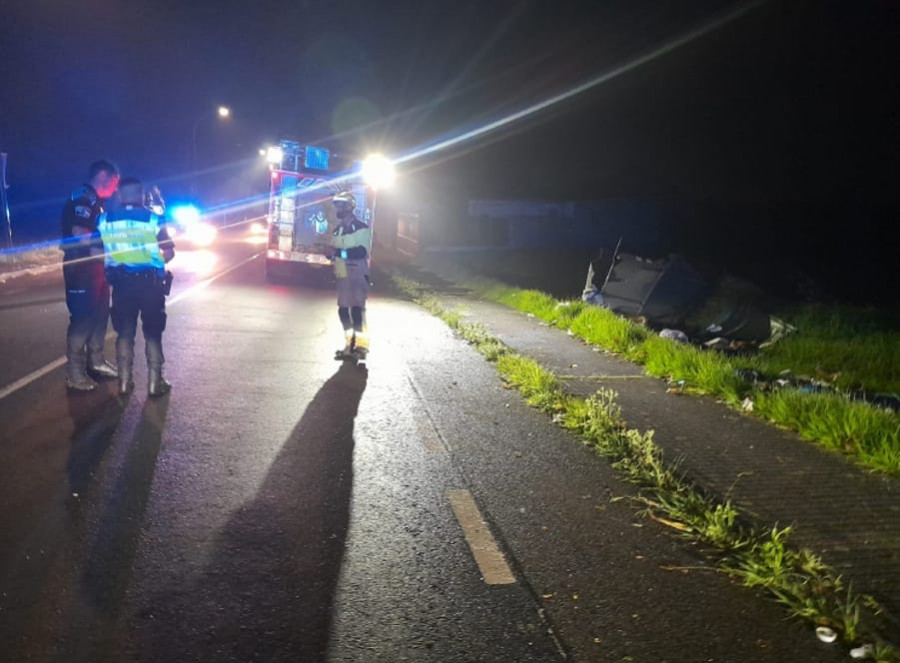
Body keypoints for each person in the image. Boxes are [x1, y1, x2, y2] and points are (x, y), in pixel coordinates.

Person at [96, 178, 175, 396]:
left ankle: (124, 381)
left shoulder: (104, 220)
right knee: (152, 333)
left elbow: (95, 251)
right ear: (142, 195)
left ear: (120, 195)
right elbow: (168, 253)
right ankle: (154, 382)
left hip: (122, 284)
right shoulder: (154, 219)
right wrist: (153, 260)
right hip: (150, 285)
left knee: (124, 333)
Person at [61, 160, 120, 390]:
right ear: (104, 175)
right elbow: (79, 232)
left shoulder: (98, 202)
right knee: (83, 319)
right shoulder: (83, 198)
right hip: (81, 267)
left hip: (96, 268)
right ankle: (74, 373)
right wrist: (104, 253)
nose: (115, 188)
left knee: (99, 315)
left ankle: (95, 362)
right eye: (114, 182)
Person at [331, 190, 372, 361]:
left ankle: (361, 347)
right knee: (342, 310)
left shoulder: (362, 228)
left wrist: (339, 253)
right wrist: (333, 257)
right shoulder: (337, 231)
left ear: (350, 206)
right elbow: (336, 253)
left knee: (357, 310)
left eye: (341, 204)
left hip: (357, 271)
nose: (338, 208)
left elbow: (360, 252)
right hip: (343, 273)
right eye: (337, 204)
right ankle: (349, 345)